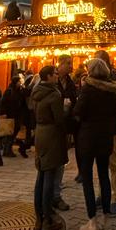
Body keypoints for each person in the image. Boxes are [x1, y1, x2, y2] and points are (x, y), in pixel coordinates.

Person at [75, 58, 116, 230]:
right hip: (105, 137)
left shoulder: (88, 90)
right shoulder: (112, 91)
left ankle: (92, 222)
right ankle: (107, 219)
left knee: (87, 179)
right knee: (104, 176)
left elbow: (78, 112)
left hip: (88, 138)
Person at [31, 65, 67, 230]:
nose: (57, 77)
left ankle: (39, 216)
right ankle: (48, 218)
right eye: (55, 74)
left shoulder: (36, 92)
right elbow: (60, 120)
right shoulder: (54, 94)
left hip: (40, 134)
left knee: (41, 174)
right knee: (50, 175)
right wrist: (67, 108)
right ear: (48, 76)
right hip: (52, 135)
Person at [93, 50, 116, 216]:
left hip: (111, 125)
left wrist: (109, 107)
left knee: (113, 161)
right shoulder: (93, 79)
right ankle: (103, 193)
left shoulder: (115, 76)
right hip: (98, 126)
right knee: (101, 162)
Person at [52, 55, 76, 211]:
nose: (70, 66)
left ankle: (56, 193)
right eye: (68, 63)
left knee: (61, 160)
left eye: (71, 64)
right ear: (59, 65)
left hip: (65, 126)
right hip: (52, 127)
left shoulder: (71, 83)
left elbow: (73, 100)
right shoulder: (51, 82)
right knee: (51, 163)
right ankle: (50, 194)